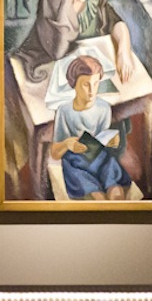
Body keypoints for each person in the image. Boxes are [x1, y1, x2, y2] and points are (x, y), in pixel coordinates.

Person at [13, 0, 135, 84]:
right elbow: (58, 51)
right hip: (51, 67)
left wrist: (123, 51)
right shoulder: (52, 2)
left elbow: (116, 22)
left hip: (87, 66)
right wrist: (68, 0)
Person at [50, 54, 131, 200]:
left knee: (116, 189)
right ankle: (96, 193)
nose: (92, 90)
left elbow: (104, 140)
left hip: (100, 157)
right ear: (74, 84)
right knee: (96, 195)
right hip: (76, 162)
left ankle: (113, 192)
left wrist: (112, 141)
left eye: (96, 83)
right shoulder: (64, 111)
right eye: (86, 84)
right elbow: (55, 153)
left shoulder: (103, 108)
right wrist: (67, 144)